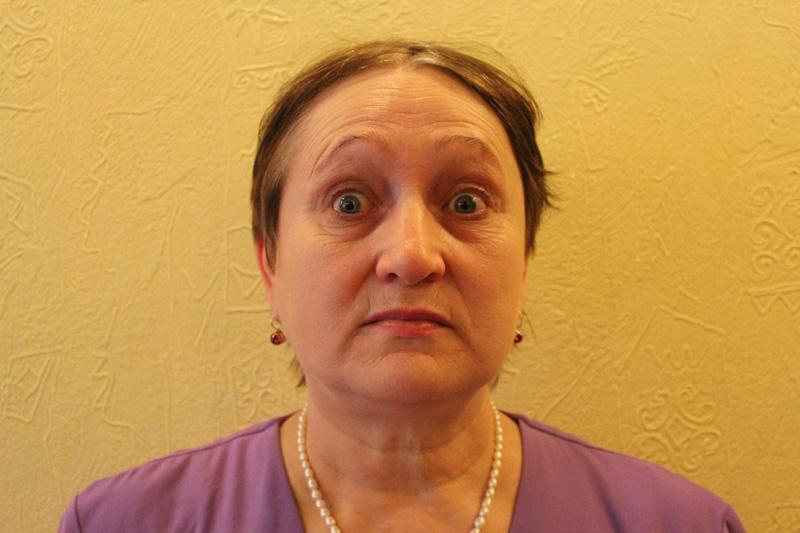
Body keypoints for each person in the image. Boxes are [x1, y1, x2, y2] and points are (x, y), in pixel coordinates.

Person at [59, 40, 745, 532]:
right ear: (271, 266)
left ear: (524, 262)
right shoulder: (121, 521)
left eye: (466, 202)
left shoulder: (681, 523)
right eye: (349, 202)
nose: (412, 256)